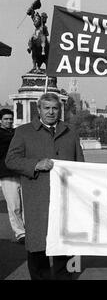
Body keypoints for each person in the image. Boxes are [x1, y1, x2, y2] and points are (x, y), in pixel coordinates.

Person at [5, 93, 85, 280]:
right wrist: (35, 164)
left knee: (63, 244)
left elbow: (80, 163)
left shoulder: (71, 131)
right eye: (46, 108)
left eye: (54, 108)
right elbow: (11, 160)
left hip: (65, 198)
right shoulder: (23, 132)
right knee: (37, 246)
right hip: (37, 198)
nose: (51, 112)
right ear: (39, 109)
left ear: (60, 110)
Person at [0, 109, 25, 244]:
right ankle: (20, 233)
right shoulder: (5, 135)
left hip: (21, 172)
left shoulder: (16, 132)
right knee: (14, 205)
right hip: (7, 174)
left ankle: (28, 230)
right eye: (6, 119)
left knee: (26, 204)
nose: (9, 121)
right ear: (0, 120)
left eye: (10, 119)